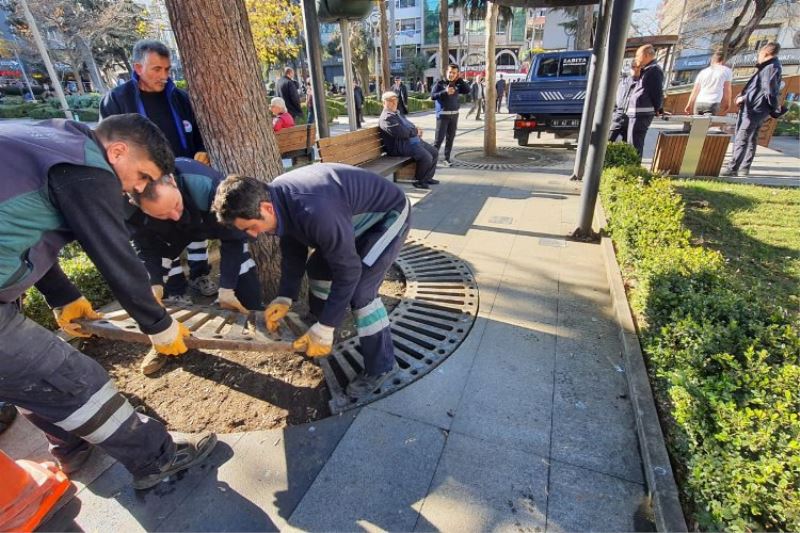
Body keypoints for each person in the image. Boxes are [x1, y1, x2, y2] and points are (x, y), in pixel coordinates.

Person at [0, 114, 216, 490]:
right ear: (117, 151)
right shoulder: (87, 166)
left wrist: (62, 294)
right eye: (144, 176)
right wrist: (158, 324)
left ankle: (71, 444)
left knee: (26, 375)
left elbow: (22, 232)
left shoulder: (50, 140)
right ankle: (156, 458)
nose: (138, 189)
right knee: (70, 376)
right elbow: (113, 253)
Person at [212, 164, 411, 401]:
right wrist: (285, 296)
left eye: (252, 227)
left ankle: (383, 366)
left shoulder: (314, 209)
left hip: (388, 214)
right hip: (348, 218)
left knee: (361, 292)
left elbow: (348, 271)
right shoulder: (278, 200)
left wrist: (327, 326)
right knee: (317, 267)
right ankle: (317, 325)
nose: (253, 235)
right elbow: (293, 248)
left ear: (265, 209)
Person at [100, 39, 216, 305]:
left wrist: (201, 149)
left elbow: (198, 132)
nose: (163, 76)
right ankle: (175, 286)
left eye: (167, 69)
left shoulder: (179, 97)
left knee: (193, 222)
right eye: (156, 69)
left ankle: (200, 274)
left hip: (183, 176)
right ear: (138, 67)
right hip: (146, 182)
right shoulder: (116, 101)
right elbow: (111, 145)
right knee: (161, 228)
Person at [126, 158, 263, 374]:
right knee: (157, 289)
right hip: (169, 236)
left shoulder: (207, 185)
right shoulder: (129, 208)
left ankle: (258, 322)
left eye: (175, 206)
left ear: (172, 181)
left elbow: (233, 239)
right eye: (162, 212)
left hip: (206, 218)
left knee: (241, 267)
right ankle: (164, 342)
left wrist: (226, 288)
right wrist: (153, 282)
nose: (174, 215)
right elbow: (146, 248)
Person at [722, 42, 785, 177]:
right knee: (750, 138)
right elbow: (763, 90)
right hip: (756, 108)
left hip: (754, 109)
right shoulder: (769, 67)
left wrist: (745, 98)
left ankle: (733, 168)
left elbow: (769, 91)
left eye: (759, 54)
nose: (758, 57)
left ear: (765, 53)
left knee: (742, 137)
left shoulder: (770, 67)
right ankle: (743, 168)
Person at [379, 91, 439, 189]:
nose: (394, 103)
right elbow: (401, 133)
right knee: (426, 157)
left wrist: (416, 129)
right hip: (399, 146)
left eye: (395, 100)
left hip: (411, 141)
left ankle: (427, 178)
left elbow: (408, 125)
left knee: (434, 152)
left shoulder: (397, 113)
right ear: (383, 103)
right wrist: (416, 131)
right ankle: (419, 181)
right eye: (390, 101)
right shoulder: (387, 118)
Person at [625, 44, 664, 159]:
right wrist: (636, 73)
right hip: (636, 111)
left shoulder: (654, 70)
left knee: (635, 144)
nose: (636, 58)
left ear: (646, 55)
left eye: (638, 55)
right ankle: (631, 166)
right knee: (631, 143)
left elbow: (657, 92)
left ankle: (634, 168)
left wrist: (658, 108)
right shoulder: (645, 70)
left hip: (642, 112)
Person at [431, 64, 470, 167]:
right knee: (438, 140)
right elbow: (433, 96)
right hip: (442, 116)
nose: (451, 74)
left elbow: (467, 90)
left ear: (456, 74)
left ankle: (446, 159)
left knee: (450, 138)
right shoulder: (440, 83)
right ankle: (432, 161)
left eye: (454, 72)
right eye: (450, 72)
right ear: (446, 72)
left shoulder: (457, 84)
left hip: (454, 116)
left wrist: (460, 80)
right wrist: (445, 92)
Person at [685, 51, 732, 116]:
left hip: (699, 102)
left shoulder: (703, 72)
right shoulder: (726, 71)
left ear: (712, 60)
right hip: (713, 103)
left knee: (696, 125)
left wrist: (689, 104)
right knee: (706, 124)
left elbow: (695, 90)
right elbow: (727, 90)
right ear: (723, 60)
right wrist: (728, 103)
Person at [609, 62, 640, 142]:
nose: (635, 69)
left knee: (627, 143)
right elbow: (616, 97)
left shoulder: (642, 83)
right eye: (633, 67)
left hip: (632, 117)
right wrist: (614, 111)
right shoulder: (623, 81)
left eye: (638, 67)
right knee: (608, 140)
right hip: (619, 115)